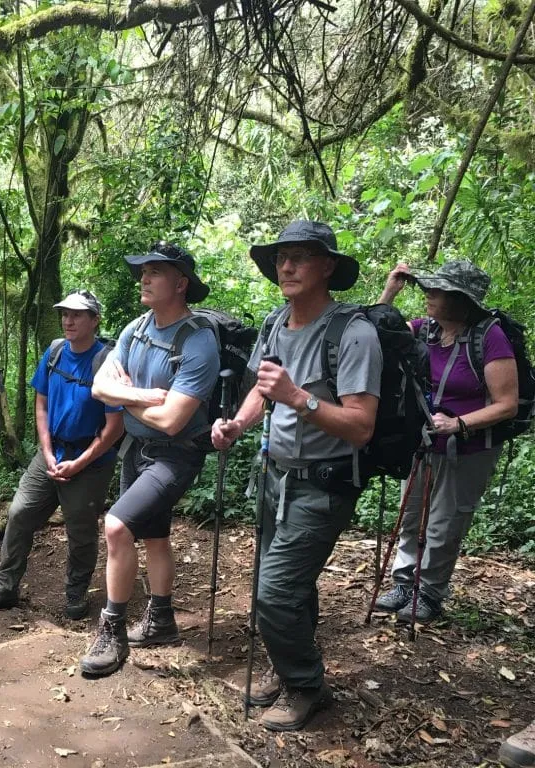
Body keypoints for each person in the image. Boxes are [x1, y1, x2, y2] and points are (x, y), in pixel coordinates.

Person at [212, 220, 381, 731]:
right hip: (275, 475)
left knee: (275, 593)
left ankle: (306, 687)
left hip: (324, 483)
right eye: (281, 257)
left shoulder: (353, 333)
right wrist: (238, 424)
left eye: (300, 257)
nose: (286, 266)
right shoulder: (274, 323)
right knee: (289, 585)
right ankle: (289, 671)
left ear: (327, 266)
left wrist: (299, 398)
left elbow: (361, 427)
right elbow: (263, 389)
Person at [78, 242, 220, 677]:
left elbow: (174, 420)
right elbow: (100, 387)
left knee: (117, 526)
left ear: (180, 284)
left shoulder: (198, 343)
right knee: (155, 537)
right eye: (143, 270)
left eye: (155, 272)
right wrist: (140, 396)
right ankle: (161, 620)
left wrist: (126, 400)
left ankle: (113, 629)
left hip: (175, 456)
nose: (144, 277)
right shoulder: (136, 327)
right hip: (136, 450)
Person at [373, 260, 518, 624]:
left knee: (443, 522)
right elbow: (378, 334)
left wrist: (458, 424)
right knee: (411, 517)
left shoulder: (490, 338)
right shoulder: (426, 331)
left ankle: (430, 593)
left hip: (468, 448)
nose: (428, 295)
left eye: (437, 291)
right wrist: (390, 291)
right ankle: (405, 584)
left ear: (461, 299)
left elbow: (507, 404)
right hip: (424, 442)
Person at [0, 291, 124, 620]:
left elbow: (115, 426)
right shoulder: (54, 351)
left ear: (94, 320)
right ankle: (4, 585)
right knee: (20, 512)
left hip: (91, 461)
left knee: (81, 530)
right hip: (51, 452)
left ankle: (75, 593)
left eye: (77, 315)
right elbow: (41, 403)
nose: (68, 320)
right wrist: (47, 450)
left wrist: (80, 462)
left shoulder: (107, 363)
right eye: (64, 314)